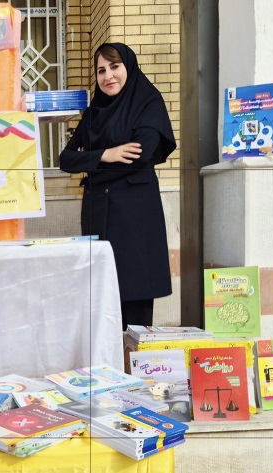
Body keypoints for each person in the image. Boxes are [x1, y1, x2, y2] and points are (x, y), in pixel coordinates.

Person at [59, 42, 176, 331]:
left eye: (114, 67)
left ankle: (132, 358)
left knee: (135, 300)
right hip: (99, 214)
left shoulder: (148, 102)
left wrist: (91, 164)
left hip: (134, 216)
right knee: (102, 300)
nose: (108, 76)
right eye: (101, 70)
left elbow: (140, 154)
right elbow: (66, 159)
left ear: (129, 67)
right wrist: (106, 154)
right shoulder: (94, 113)